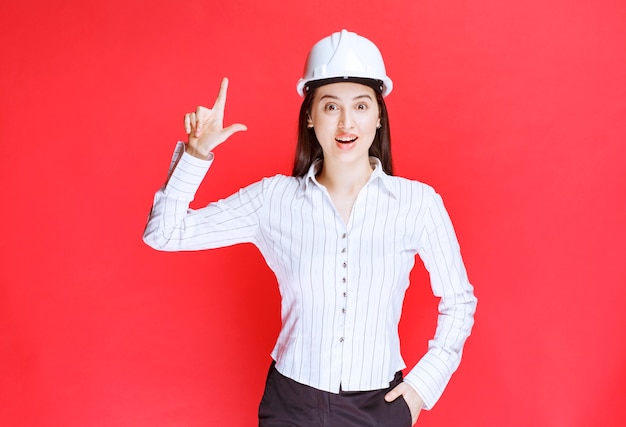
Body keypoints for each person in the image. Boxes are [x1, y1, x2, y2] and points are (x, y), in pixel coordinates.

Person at [143, 29, 477, 426]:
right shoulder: (273, 200)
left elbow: (459, 301)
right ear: (310, 115)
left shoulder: (417, 203)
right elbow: (165, 233)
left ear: (379, 116)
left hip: (378, 406)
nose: (346, 122)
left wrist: (424, 385)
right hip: (291, 404)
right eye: (331, 106)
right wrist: (197, 153)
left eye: (361, 105)